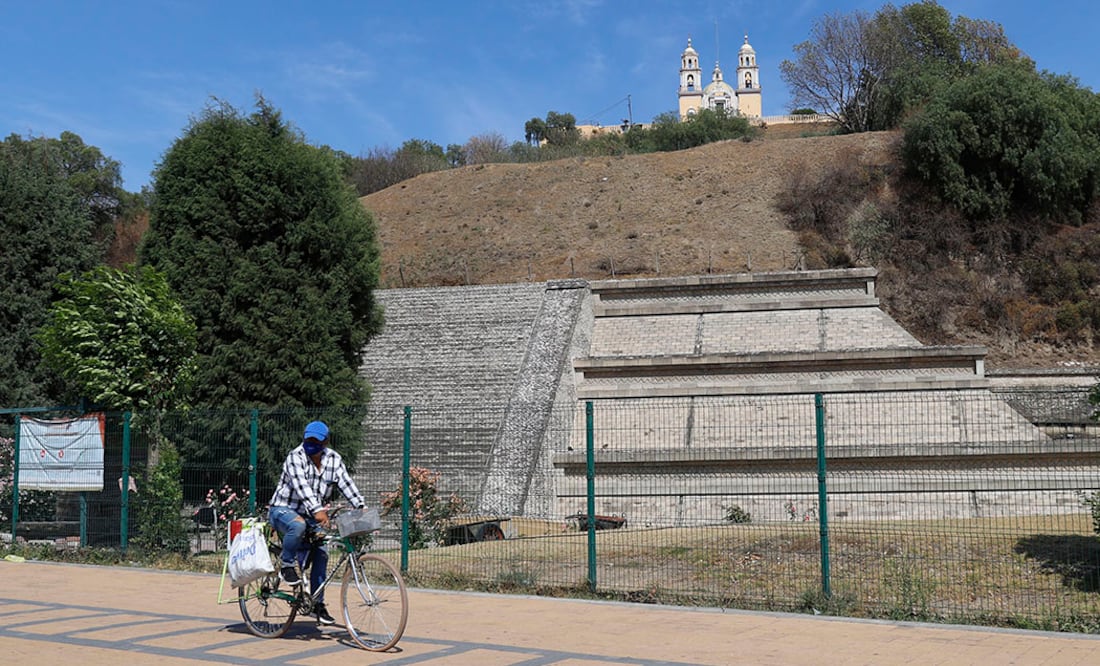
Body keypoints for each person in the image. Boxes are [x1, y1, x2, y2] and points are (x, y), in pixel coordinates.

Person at [268, 420, 365, 625]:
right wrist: (318, 510)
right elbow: (302, 487)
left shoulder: (333, 459)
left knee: (321, 552)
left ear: (325, 442)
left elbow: (346, 483)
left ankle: (317, 604)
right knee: (298, 525)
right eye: (308, 440)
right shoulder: (295, 457)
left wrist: (360, 506)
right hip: (283, 510)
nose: (311, 444)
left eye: (316, 441)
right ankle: (286, 565)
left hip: (310, 515)